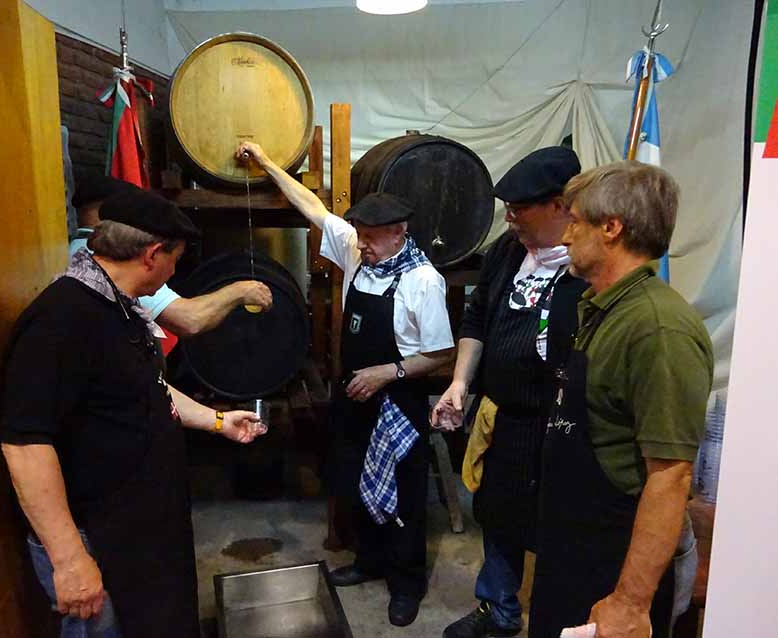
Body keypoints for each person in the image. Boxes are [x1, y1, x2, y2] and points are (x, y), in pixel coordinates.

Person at [0, 189, 268, 638]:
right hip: (96, 541)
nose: (173, 272)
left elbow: (146, 390)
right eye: (175, 260)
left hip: (136, 530)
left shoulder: (120, 307)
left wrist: (218, 421)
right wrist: (69, 561)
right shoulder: (62, 319)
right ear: (152, 255)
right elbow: (25, 443)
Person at [235, 141, 454, 627]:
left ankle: (407, 582)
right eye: (359, 236)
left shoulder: (423, 281)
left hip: (396, 399)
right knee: (356, 481)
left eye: (372, 237)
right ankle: (370, 562)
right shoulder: (361, 255)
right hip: (354, 395)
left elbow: (441, 353)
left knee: (403, 495)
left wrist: (387, 373)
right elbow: (313, 208)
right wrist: (270, 164)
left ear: (399, 233)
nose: (361, 245)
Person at [528, 162, 713, 638]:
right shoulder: (601, 308)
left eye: (575, 221)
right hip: (573, 547)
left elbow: (670, 477)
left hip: (610, 561)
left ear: (611, 228)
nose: (566, 236)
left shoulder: (657, 328)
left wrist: (630, 603)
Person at [434, 147, 586, 638]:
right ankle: (497, 610)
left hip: (552, 424)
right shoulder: (509, 249)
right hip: (501, 413)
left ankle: (552, 619)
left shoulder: (585, 267)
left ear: (561, 206)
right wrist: (460, 383)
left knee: (550, 526)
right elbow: (477, 316)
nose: (510, 217)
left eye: (520, 209)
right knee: (496, 513)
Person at [70, 174, 273, 336]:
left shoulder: (77, 252)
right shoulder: (110, 263)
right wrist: (239, 291)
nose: (173, 271)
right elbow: (188, 320)